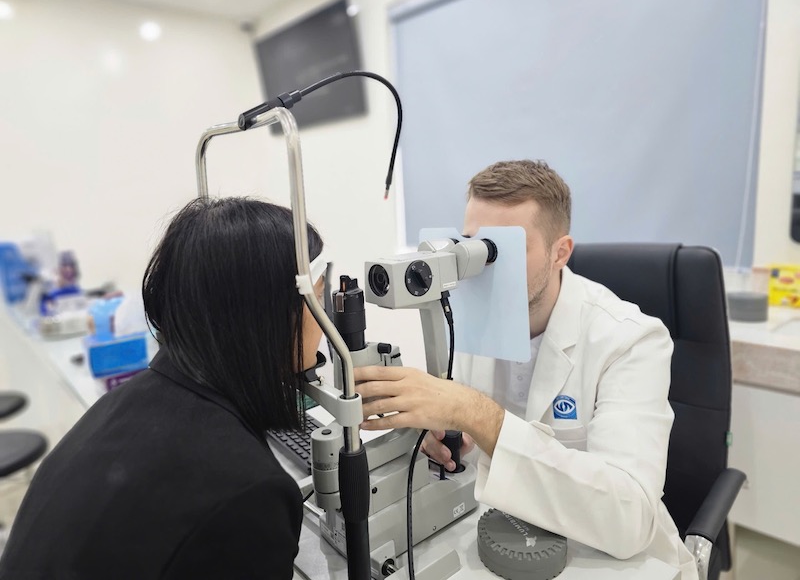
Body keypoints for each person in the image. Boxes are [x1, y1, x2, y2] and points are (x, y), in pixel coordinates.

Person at [355, 160, 697, 579]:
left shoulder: (629, 340)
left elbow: (629, 520)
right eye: (470, 247)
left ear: (560, 252)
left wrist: (476, 414)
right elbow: (477, 444)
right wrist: (449, 436)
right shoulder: (466, 319)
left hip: (607, 559)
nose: (482, 269)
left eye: (503, 250)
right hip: (505, 539)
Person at [0, 197, 326, 579]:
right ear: (270, 316)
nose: (325, 322)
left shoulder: (122, 404)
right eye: (317, 301)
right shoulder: (251, 492)